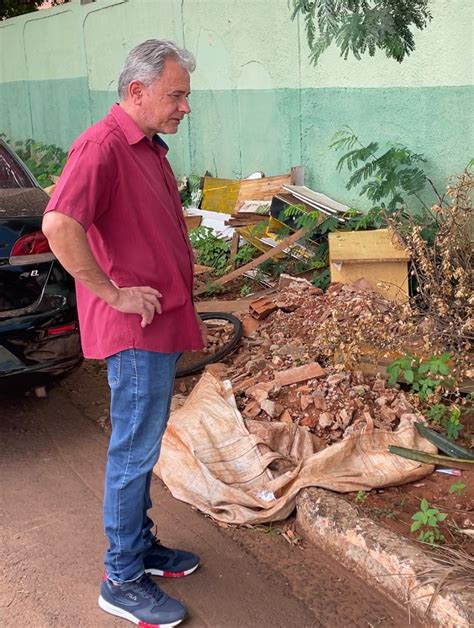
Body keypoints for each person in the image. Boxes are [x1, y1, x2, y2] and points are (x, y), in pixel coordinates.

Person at [42, 39, 206, 627]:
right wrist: (111, 291)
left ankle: (141, 545)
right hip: (134, 330)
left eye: (185, 94)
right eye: (176, 94)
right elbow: (60, 223)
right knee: (134, 452)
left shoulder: (146, 146)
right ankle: (122, 577)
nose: (185, 105)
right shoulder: (102, 145)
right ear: (137, 92)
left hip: (158, 322)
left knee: (144, 444)